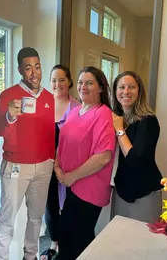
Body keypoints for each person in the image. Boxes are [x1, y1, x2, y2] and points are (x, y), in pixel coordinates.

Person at [0, 47, 55, 260]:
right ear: (20, 70)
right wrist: (10, 116)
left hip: (44, 166)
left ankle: (31, 256)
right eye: (28, 68)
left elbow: (49, 133)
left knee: (36, 218)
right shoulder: (8, 96)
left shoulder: (49, 97)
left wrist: (52, 159)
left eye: (37, 67)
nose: (34, 72)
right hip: (16, 165)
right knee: (7, 218)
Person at [55, 66, 116, 260]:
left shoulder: (103, 114)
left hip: (88, 188)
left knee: (77, 241)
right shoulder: (75, 112)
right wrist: (57, 166)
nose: (83, 87)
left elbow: (103, 156)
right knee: (68, 238)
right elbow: (62, 143)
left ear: (100, 88)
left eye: (90, 83)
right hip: (69, 185)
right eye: (81, 82)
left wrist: (72, 176)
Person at [111, 71, 162, 223]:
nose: (126, 91)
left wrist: (119, 131)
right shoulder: (116, 118)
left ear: (139, 92)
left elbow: (135, 159)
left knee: (142, 243)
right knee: (120, 240)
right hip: (121, 190)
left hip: (144, 193)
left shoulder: (148, 120)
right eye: (121, 87)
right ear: (115, 91)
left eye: (131, 87)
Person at [41, 64, 80, 260]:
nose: (57, 84)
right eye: (54, 80)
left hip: (68, 167)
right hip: (45, 165)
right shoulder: (42, 105)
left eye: (62, 79)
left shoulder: (78, 108)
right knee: (50, 205)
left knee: (69, 205)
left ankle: (68, 243)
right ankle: (54, 241)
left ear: (70, 82)